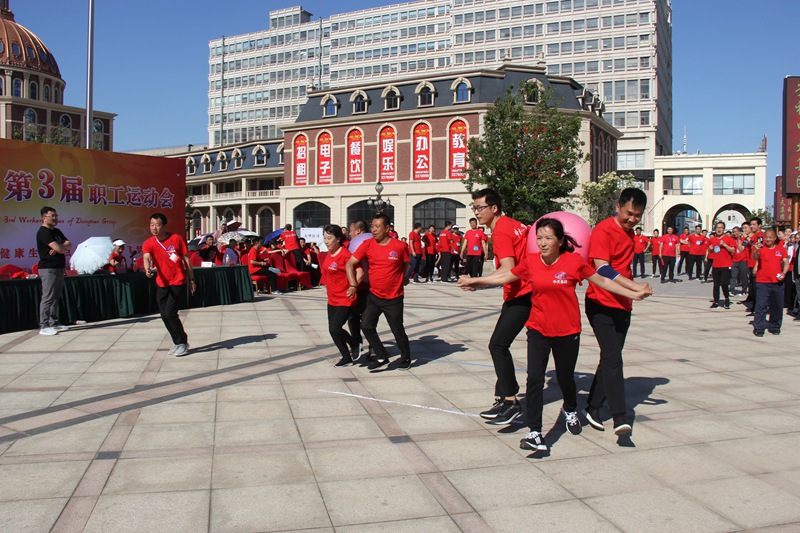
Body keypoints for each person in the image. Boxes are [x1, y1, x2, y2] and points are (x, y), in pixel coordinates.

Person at [460, 218, 651, 452]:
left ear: (560, 241)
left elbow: (601, 280)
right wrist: (477, 281)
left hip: (567, 331)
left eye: (548, 238)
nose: (542, 243)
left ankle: (570, 409)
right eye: (539, 238)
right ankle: (535, 432)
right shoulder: (531, 261)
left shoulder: (574, 262)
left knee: (565, 378)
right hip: (538, 329)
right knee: (534, 380)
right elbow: (506, 276)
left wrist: (632, 293)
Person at [584, 188, 653, 436]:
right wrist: (633, 287)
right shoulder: (603, 231)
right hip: (600, 303)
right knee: (613, 359)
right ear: (618, 207)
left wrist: (631, 292)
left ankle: (592, 407)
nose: (632, 219)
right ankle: (619, 416)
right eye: (629, 213)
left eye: (637, 215)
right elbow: (602, 268)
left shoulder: (630, 233)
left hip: (623, 305)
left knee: (609, 358)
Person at [465, 189, 532, 425]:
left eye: (480, 207)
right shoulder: (513, 224)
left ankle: (511, 402)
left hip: (523, 294)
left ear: (494, 208)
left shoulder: (501, 231)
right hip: (527, 292)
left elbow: (508, 269)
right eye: (474, 208)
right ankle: (504, 398)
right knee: (503, 344)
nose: (477, 212)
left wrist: (477, 281)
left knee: (498, 345)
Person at [346, 214, 412, 370]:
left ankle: (406, 358)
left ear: (387, 228)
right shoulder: (367, 244)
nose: (373, 230)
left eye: (377, 226)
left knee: (397, 329)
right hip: (374, 296)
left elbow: (406, 264)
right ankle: (381, 355)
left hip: (394, 297)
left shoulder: (399, 246)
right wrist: (353, 284)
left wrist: (403, 277)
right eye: (372, 226)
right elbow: (350, 263)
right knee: (366, 326)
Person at [143, 213, 194, 357]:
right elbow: (146, 257)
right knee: (164, 315)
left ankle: (182, 341)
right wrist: (147, 269)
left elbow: (186, 260)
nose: (154, 228)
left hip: (177, 281)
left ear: (164, 226)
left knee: (170, 313)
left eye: (157, 225)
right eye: (152, 225)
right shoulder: (148, 243)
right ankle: (177, 342)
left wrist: (192, 279)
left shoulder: (176, 239)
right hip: (162, 283)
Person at [323, 224, 362, 366]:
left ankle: (355, 343)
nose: (326, 241)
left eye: (329, 238)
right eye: (324, 238)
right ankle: (346, 357)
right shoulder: (329, 253)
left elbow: (360, 271)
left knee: (335, 328)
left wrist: (353, 287)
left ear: (338, 239)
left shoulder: (345, 254)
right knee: (332, 331)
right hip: (332, 298)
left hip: (345, 298)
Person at [36, 206, 71, 335]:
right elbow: (61, 248)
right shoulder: (43, 232)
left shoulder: (57, 231)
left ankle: (53, 322)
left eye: (56, 216)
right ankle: (44, 325)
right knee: (48, 297)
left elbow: (68, 244)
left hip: (59, 267)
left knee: (55, 297)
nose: (55, 218)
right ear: (44, 218)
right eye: (53, 216)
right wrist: (60, 248)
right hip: (48, 269)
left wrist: (60, 248)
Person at [752, 228, 789, 336]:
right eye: (766, 237)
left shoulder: (781, 249)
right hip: (762, 282)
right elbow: (755, 257)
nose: (768, 239)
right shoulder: (760, 248)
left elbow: (786, 262)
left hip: (777, 283)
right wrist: (756, 250)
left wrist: (783, 273)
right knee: (761, 306)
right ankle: (759, 328)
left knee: (777, 306)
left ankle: (775, 327)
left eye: (770, 237)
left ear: (775, 238)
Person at [347, 219, 371, 360]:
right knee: (362, 318)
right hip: (365, 286)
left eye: (351, 231)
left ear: (358, 231)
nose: (350, 234)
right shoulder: (370, 241)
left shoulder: (362, 243)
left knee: (358, 318)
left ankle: (363, 345)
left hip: (362, 286)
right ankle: (361, 345)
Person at [707, 221, 736, 309]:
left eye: (721, 228)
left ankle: (726, 298)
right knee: (716, 285)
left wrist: (725, 245)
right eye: (717, 228)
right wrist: (710, 249)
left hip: (726, 265)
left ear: (724, 229)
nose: (719, 229)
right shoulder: (712, 239)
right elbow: (710, 251)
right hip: (716, 265)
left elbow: (733, 250)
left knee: (724, 283)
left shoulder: (728, 239)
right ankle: (716, 301)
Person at [730, 226, 749, 295]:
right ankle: (732, 289)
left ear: (739, 232)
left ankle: (744, 289)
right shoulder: (732, 239)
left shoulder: (745, 239)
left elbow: (741, 249)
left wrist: (739, 240)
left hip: (743, 260)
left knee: (743, 275)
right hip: (734, 260)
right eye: (733, 232)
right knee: (733, 276)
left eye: (736, 232)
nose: (734, 233)